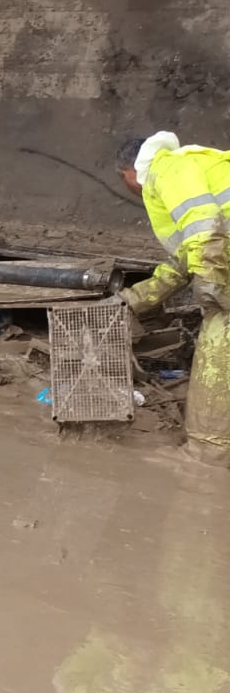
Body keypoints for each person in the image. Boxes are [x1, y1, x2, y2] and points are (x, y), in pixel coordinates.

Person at [117, 132, 230, 462]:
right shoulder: (191, 166)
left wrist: (212, 285)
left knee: (216, 354)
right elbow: (184, 260)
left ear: (127, 172)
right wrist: (135, 298)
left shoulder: (167, 171)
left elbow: (204, 230)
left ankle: (206, 455)